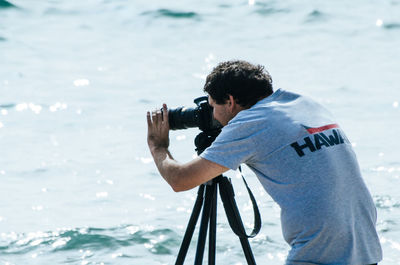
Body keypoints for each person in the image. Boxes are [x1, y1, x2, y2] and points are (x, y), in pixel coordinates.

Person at [146, 60, 382, 265]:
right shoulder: (303, 103)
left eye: (212, 106)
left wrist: (159, 146)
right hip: (365, 245)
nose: (213, 115)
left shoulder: (251, 121)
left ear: (230, 101)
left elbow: (180, 180)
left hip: (318, 252)